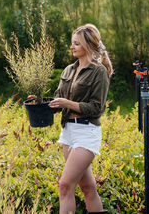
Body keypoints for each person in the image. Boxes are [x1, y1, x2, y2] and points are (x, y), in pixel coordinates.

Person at [49, 24, 113, 214]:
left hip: (87, 132)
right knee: (87, 188)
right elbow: (58, 99)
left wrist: (67, 103)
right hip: (68, 132)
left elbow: (97, 108)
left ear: (86, 44)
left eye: (76, 43)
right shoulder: (68, 70)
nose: (72, 47)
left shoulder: (98, 71)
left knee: (65, 185)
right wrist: (41, 106)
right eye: (72, 43)